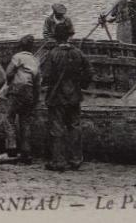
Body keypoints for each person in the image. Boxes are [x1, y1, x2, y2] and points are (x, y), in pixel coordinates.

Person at [40, 23, 93, 171]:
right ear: (69, 36)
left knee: (57, 128)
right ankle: (75, 160)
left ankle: (58, 161)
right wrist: (81, 85)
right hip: (74, 96)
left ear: (56, 37)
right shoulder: (78, 52)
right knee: (74, 127)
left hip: (57, 96)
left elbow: (46, 76)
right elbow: (89, 72)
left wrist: (48, 85)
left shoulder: (52, 54)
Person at [0, 35, 40, 165]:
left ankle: (11, 151)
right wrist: (36, 98)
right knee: (25, 121)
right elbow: (37, 82)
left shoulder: (17, 57)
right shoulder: (35, 60)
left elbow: (8, 73)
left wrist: (8, 85)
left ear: (20, 46)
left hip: (16, 91)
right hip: (29, 92)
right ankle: (26, 153)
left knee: (9, 119)